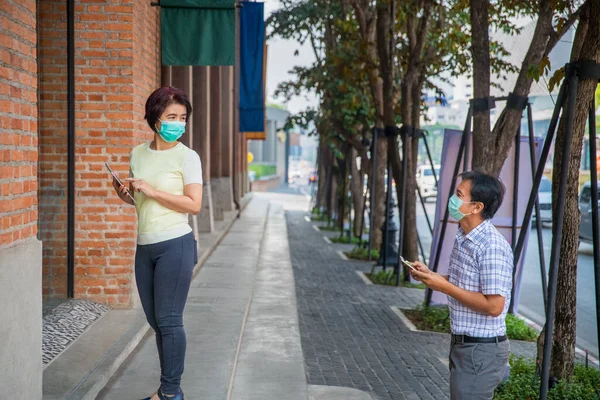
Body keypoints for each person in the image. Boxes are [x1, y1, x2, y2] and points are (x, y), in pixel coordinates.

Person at [112, 86, 203, 400]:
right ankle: (169, 390)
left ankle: (170, 392)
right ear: (155, 119)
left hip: (175, 245)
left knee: (169, 320)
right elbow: (140, 201)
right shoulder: (138, 153)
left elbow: (193, 205)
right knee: (156, 320)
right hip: (145, 246)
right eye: (171, 116)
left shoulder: (188, 157)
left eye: (182, 117)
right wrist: (125, 195)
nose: (178, 123)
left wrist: (152, 191)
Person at [410, 170, 513, 400]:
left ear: (476, 207)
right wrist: (432, 277)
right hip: (463, 345)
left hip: (481, 350)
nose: (453, 199)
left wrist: (442, 286)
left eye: (459, 194)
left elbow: (494, 306)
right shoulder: (465, 236)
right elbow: (462, 283)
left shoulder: (491, 246)